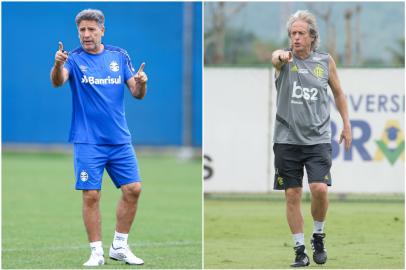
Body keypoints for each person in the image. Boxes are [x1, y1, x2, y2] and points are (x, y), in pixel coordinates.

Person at [50, 9, 148, 266]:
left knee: (133, 189)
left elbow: (137, 92)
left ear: (102, 30)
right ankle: (96, 252)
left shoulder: (119, 55)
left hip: (119, 139)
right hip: (87, 140)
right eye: (82, 30)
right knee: (91, 194)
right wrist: (58, 63)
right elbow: (58, 81)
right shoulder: (73, 59)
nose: (86, 34)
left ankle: (119, 246)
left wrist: (142, 82)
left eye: (91, 29)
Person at [271, 10, 351, 267]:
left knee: (319, 189)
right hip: (286, 139)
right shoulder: (283, 59)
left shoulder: (324, 62)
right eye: (292, 34)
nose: (295, 38)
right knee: (292, 193)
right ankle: (299, 251)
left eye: (300, 34)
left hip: (317, 139)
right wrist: (281, 56)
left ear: (312, 37)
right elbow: (275, 58)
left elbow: (338, 94)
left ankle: (318, 235)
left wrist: (347, 124)